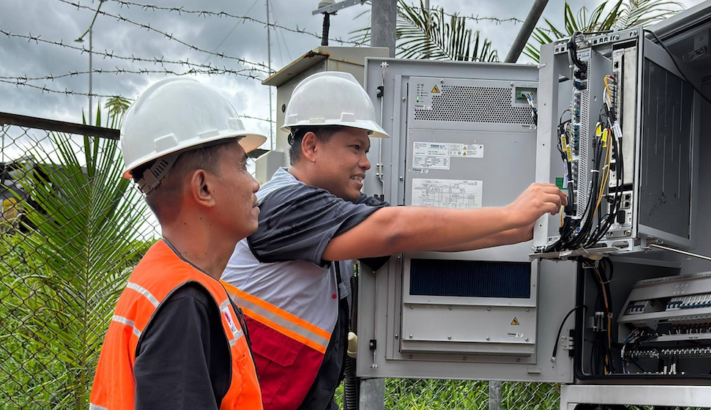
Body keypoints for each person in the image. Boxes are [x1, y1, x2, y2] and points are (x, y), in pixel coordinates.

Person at [221, 72, 566, 410]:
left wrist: (518, 232)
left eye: (366, 150)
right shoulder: (284, 205)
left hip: (293, 394)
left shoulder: (337, 207)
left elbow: (414, 236)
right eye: (355, 147)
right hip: (254, 397)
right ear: (310, 146)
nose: (366, 163)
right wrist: (510, 214)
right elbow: (395, 229)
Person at [89, 78, 267, 410]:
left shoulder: (166, 281)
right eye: (243, 164)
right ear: (203, 188)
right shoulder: (184, 303)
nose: (255, 183)